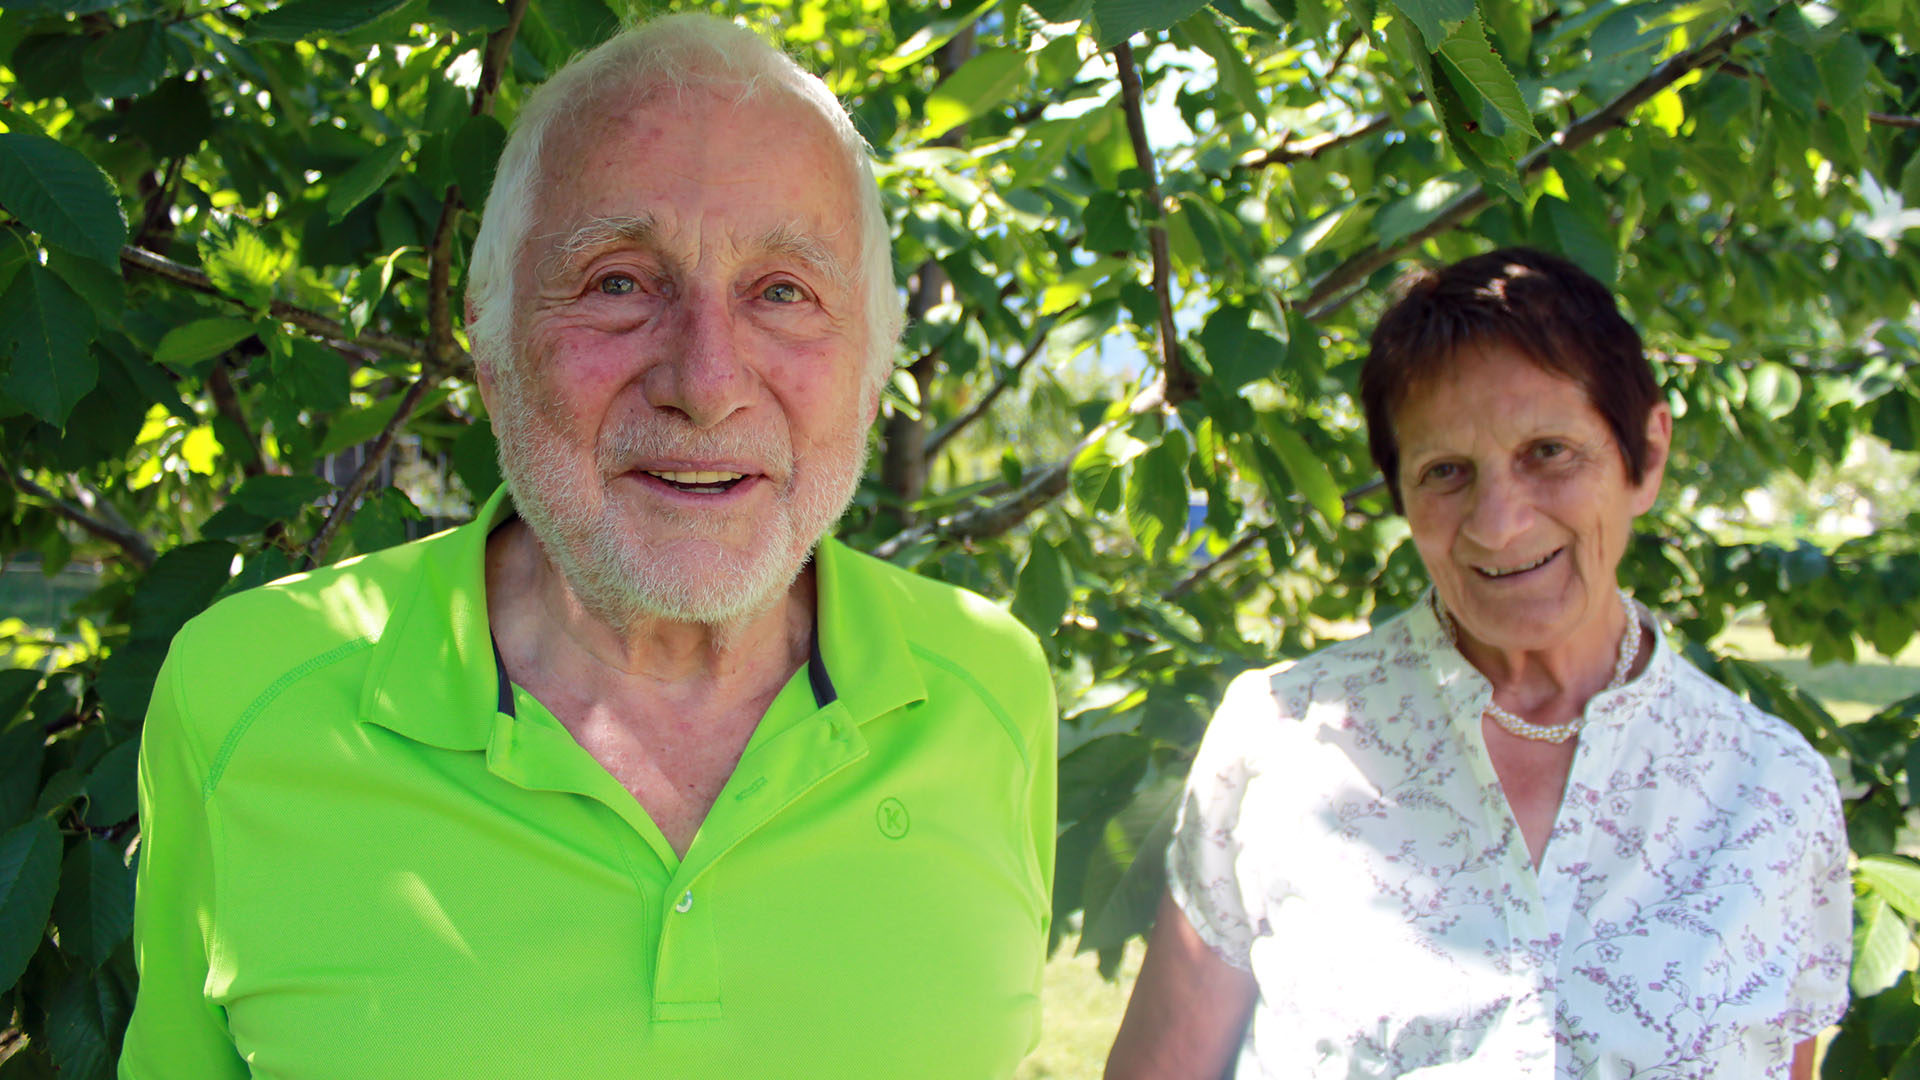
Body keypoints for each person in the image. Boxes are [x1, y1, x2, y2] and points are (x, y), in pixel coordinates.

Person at [119, 15, 1055, 1079]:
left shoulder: (990, 689)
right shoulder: (246, 694)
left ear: (876, 367)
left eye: (784, 292)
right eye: (618, 281)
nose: (704, 384)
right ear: (490, 338)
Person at [1106, 248, 1850, 1079]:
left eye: (1548, 452)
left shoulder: (1773, 792)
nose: (1498, 524)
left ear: (1646, 454)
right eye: (1446, 472)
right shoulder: (1281, 737)